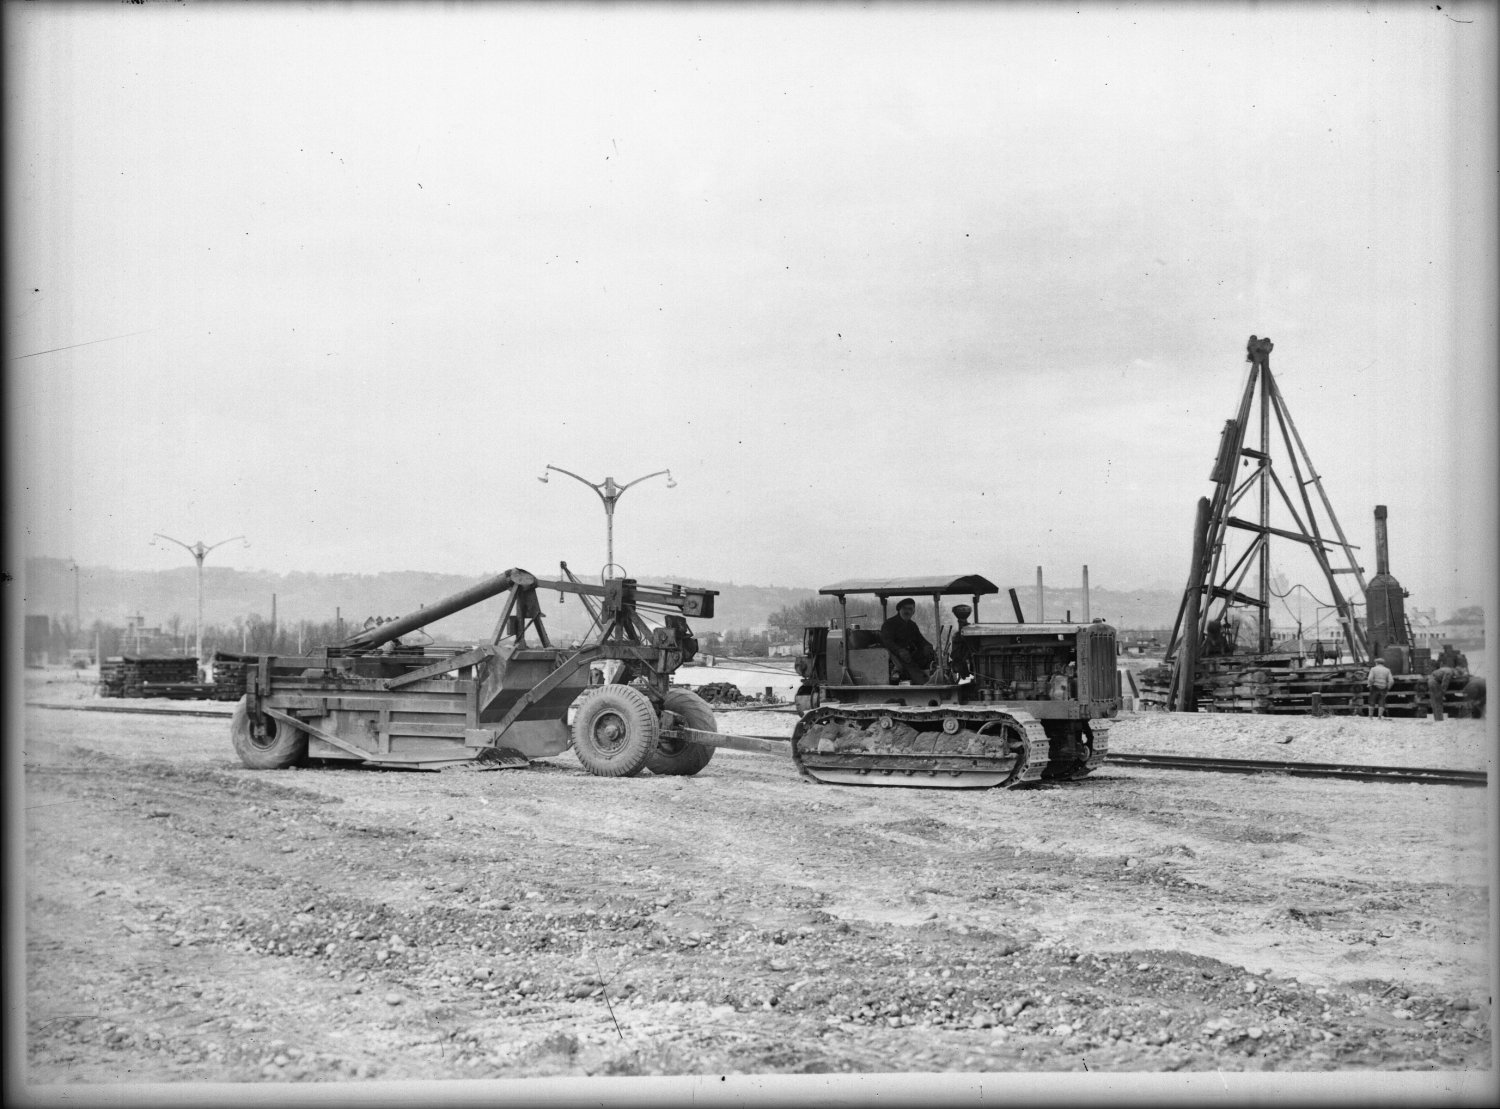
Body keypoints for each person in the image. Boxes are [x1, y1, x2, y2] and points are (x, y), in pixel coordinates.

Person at [880, 597, 935, 684]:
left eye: (910, 609)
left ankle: (936, 677)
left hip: (910, 655)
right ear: (899, 610)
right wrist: (899, 650)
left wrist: (927, 646)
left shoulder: (912, 625)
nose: (907, 611)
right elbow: (887, 642)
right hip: (895, 657)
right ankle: (924, 683)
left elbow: (920, 640)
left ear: (913, 611)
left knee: (932, 658)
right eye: (904, 608)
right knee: (913, 668)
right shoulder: (889, 624)